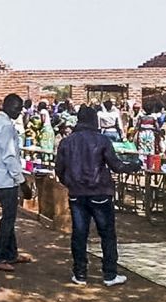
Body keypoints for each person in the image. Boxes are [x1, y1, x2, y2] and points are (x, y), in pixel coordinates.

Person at [56, 106, 141, 287]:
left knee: (79, 234)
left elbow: (59, 170)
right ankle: (109, 275)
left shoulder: (66, 142)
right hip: (100, 192)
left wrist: (70, 183)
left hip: (77, 194)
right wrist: (134, 166)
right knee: (107, 234)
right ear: (94, 121)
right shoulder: (102, 140)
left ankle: (80, 274)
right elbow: (116, 165)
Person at [0, 94, 33, 272]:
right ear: (6, 106)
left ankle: (11, 253)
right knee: (8, 218)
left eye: (20, 109)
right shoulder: (5, 126)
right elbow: (9, 156)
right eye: (16, 108)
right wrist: (22, 182)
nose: (19, 112)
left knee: (9, 216)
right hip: (6, 178)